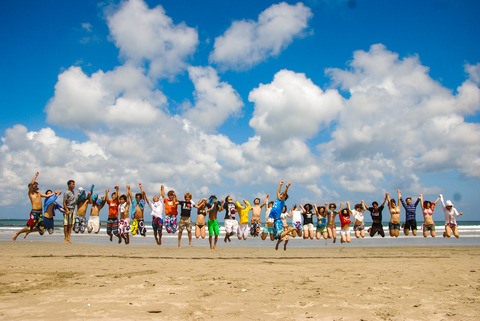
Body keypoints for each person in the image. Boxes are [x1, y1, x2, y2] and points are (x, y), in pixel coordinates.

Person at [13, 172, 54, 240]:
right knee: (29, 227)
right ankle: (18, 233)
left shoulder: (39, 194)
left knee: (41, 228)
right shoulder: (31, 194)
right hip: (34, 212)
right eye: (35, 186)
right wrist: (35, 176)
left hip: (40, 213)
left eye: (36, 185)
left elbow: (47, 195)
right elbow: (31, 184)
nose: (37, 186)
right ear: (32, 188)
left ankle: (28, 232)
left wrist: (55, 193)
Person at [269, 181, 295, 245]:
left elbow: (284, 193)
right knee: (275, 237)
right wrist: (280, 185)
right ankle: (288, 232)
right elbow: (278, 192)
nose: (281, 196)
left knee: (279, 236)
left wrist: (287, 187)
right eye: (281, 195)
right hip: (275, 221)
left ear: (284, 198)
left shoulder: (282, 202)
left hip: (277, 220)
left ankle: (289, 230)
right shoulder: (277, 200)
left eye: (282, 195)